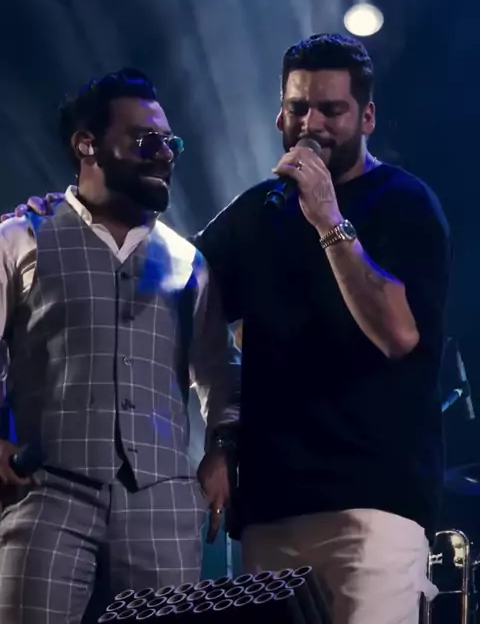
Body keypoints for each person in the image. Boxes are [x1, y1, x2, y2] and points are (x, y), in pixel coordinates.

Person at [7, 35, 451, 624]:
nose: (311, 124)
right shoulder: (257, 212)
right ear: (280, 115)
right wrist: (63, 217)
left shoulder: (404, 202)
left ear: (366, 117)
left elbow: (399, 334)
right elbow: (164, 283)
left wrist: (328, 216)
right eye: (298, 108)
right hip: (269, 511)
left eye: (332, 109)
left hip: (372, 507)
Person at [0, 68, 241, 624]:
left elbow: (220, 370)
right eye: (146, 141)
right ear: (87, 144)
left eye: (170, 142)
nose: (165, 154)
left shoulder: (188, 262)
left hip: (163, 505)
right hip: (45, 496)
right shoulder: (22, 236)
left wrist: (223, 449)